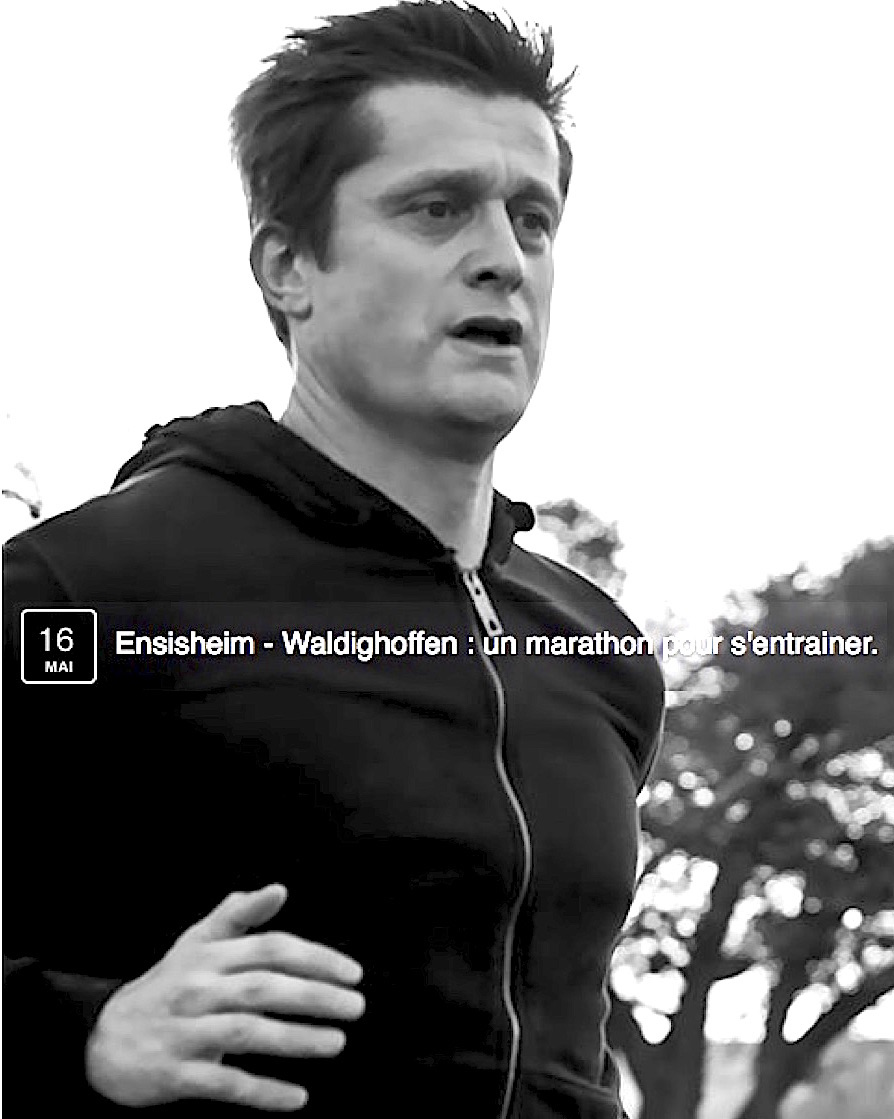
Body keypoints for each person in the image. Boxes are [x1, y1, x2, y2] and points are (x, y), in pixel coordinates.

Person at [2, 3, 665, 1116]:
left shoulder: (599, 654)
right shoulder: (80, 596)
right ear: (288, 266)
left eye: (533, 219)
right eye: (437, 209)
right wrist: (83, 1036)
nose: (502, 260)